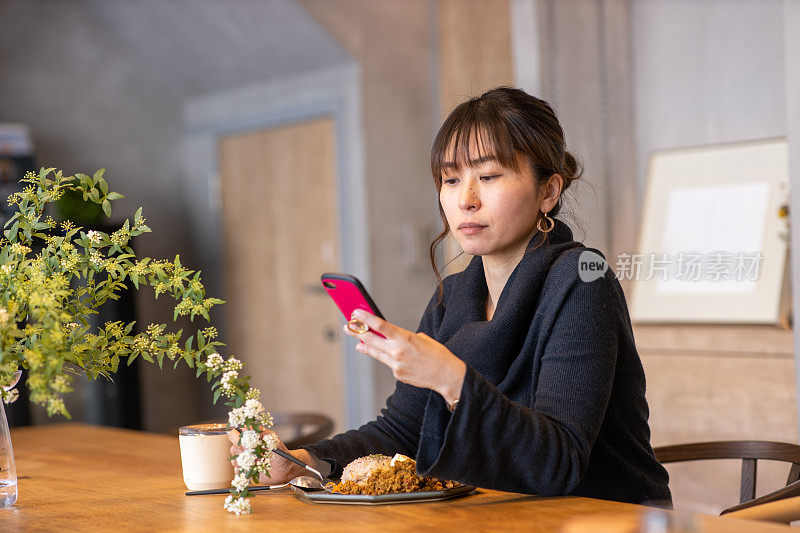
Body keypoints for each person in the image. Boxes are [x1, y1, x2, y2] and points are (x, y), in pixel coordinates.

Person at [229, 87, 672, 506]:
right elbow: (404, 427)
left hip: (603, 516)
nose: (466, 200)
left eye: (489, 176)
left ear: (548, 191)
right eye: (451, 179)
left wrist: (451, 378)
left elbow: (558, 464)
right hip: (499, 515)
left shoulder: (581, 282)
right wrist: (302, 463)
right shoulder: (454, 295)